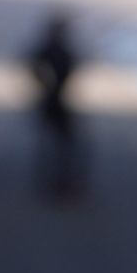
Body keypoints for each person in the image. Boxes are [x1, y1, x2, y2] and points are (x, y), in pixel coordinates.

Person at [27, 15, 85, 200]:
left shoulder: (51, 48)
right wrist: (47, 86)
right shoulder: (54, 50)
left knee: (59, 145)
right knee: (60, 146)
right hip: (54, 102)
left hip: (55, 100)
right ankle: (57, 183)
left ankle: (58, 182)